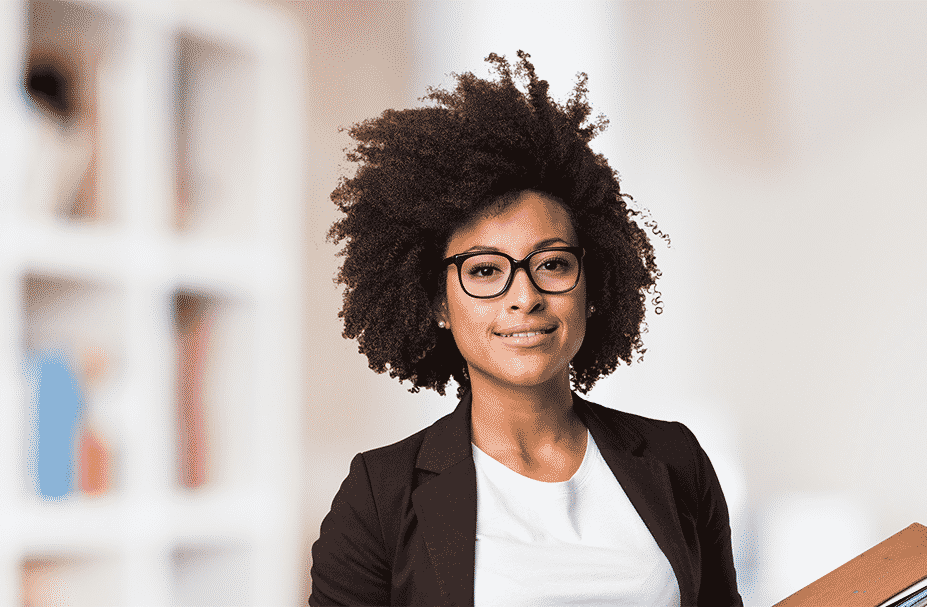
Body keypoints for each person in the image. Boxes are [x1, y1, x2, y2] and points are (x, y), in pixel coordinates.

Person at [310, 52, 741, 606]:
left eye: (553, 263)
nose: (526, 297)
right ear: (437, 303)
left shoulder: (674, 458)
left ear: (592, 287)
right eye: (485, 270)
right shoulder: (379, 497)